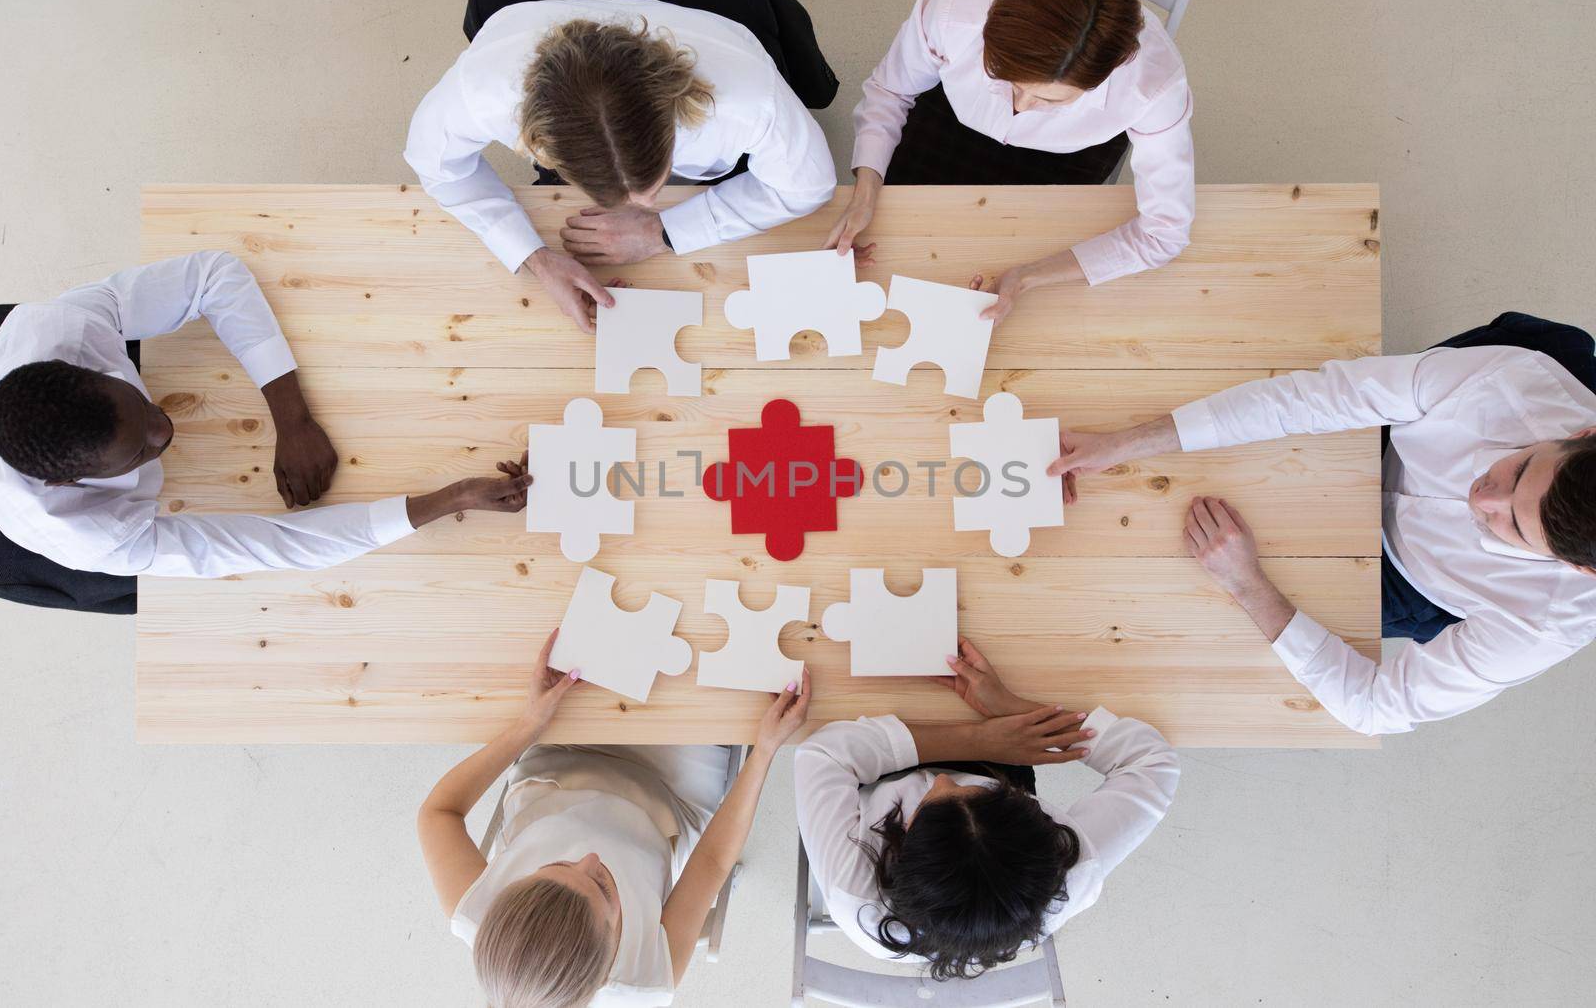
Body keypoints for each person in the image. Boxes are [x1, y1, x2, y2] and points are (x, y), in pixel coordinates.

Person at [1050, 342, 1596, 736]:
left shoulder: (1542, 624)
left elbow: (1378, 708)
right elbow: (1310, 398)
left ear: (1578, 570)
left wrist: (1249, 585)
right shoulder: (1514, 382)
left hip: (1407, 579)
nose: (1483, 500)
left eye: (1515, 526)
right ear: (1582, 434)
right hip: (1404, 433)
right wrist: (1124, 444)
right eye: (1521, 469)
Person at [0, 252, 531, 581]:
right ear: (68, 481)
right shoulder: (89, 534)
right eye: (138, 452)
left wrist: (292, 418)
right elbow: (276, 545)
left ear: (82, 368)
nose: (165, 430)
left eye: (138, 401)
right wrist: (451, 498)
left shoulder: (63, 329)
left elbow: (214, 274)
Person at [419, 631, 810, 1007]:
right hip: (670, 793)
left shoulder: (475, 914)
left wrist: (530, 725)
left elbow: (438, 813)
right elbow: (711, 862)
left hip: (561, 753)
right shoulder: (647, 980)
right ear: (610, 959)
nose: (589, 858)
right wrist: (765, 751)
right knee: (717, 665)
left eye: (555, 865)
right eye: (602, 885)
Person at [405, 0, 838, 333]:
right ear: (542, 145)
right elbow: (436, 164)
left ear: (674, 114)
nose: (639, 204)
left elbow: (808, 186)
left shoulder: (746, 98)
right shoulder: (482, 88)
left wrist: (663, 230)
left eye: (654, 183)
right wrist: (534, 258)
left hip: (715, 19)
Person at [825, 0, 1195, 325]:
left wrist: (1026, 277)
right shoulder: (955, 2)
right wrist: (863, 194)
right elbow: (891, 90)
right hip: (951, 116)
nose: (1022, 105)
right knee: (896, 245)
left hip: (1068, 155)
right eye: (1008, 80)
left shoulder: (1154, 85)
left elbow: (1164, 233)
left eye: (1049, 99)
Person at [795, 637, 1178, 980]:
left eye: (927, 803)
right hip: (998, 758)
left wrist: (979, 739)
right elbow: (1152, 766)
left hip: (883, 771)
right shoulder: (1070, 868)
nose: (943, 781)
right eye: (981, 792)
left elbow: (822, 755)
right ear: (1038, 823)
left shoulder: (857, 896)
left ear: (902, 845)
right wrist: (1014, 709)